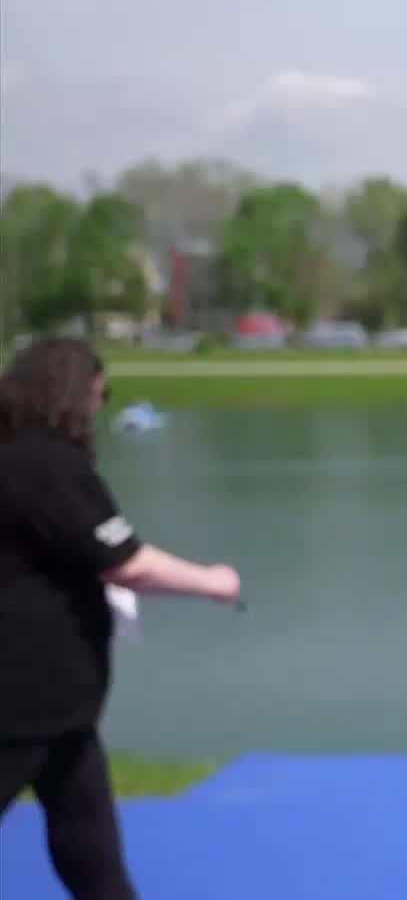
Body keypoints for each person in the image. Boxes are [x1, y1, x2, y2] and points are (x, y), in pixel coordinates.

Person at [0, 336, 243, 899]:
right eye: (98, 395)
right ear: (70, 394)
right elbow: (127, 562)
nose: (99, 409)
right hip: (25, 696)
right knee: (84, 836)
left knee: (88, 843)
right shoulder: (47, 465)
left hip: (64, 703)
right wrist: (214, 581)